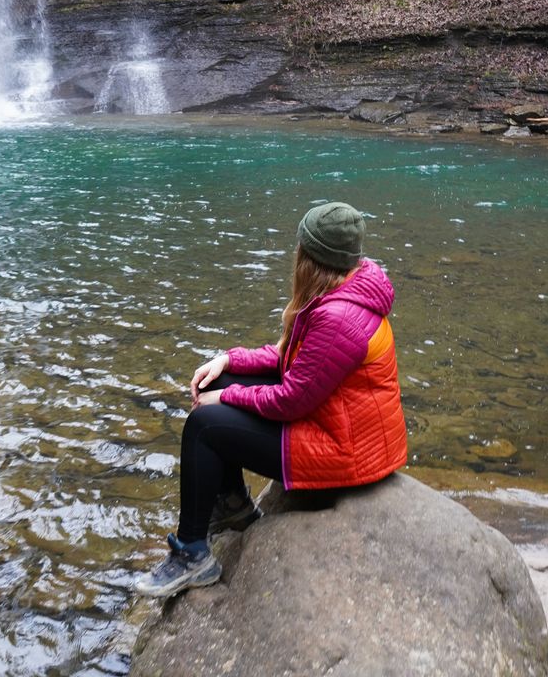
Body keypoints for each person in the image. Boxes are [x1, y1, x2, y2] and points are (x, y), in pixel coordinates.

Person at [135, 199, 407, 600]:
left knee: (204, 427)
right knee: (220, 385)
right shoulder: (349, 286)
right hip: (335, 420)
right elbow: (291, 360)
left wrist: (228, 396)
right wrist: (228, 361)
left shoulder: (338, 317)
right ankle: (232, 505)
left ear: (311, 258)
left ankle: (193, 555)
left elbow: (292, 399)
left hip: (344, 449)